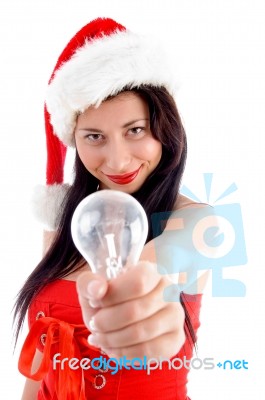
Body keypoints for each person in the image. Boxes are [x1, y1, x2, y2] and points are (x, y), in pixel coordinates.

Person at [14, 17, 211, 400]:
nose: (118, 161)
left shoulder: (196, 221)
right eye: (95, 137)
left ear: (164, 128)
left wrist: (143, 299)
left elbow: (159, 269)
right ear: (76, 139)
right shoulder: (63, 225)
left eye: (134, 130)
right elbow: (40, 363)